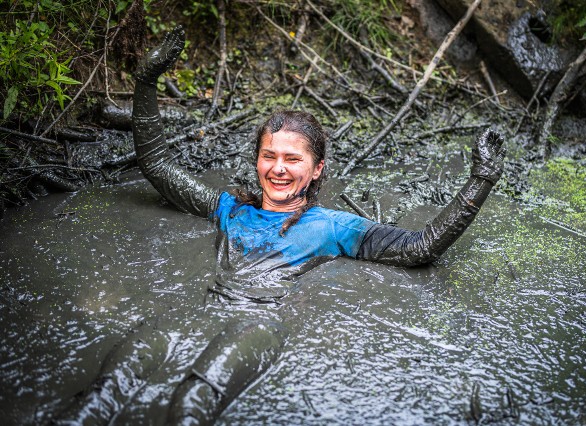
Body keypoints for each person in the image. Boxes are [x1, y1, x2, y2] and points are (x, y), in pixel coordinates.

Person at [56, 26, 505, 424]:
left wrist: (480, 180)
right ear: (256, 161)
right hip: (199, 309)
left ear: (316, 170)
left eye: (293, 159)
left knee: (191, 405)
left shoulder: (333, 226)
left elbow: (421, 247)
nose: (278, 168)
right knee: (100, 396)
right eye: (269, 156)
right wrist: (147, 80)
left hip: (259, 321)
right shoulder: (229, 208)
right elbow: (156, 164)